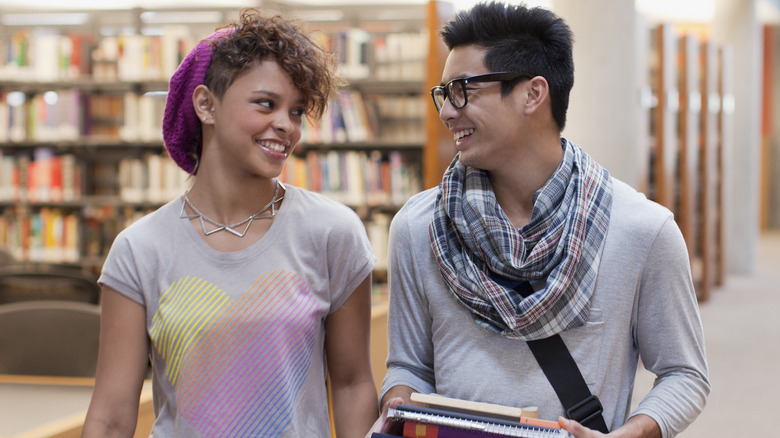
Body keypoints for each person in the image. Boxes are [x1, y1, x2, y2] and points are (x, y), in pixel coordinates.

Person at [374, 2, 709, 438]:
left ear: (533, 93)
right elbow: (409, 365)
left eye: (463, 90)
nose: (447, 111)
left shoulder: (641, 229)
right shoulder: (419, 227)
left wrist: (629, 434)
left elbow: (685, 373)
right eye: (443, 94)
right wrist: (397, 411)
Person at [83, 9, 379, 438]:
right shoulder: (140, 249)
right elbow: (110, 418)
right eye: (266, 103)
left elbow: (353, 385)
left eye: (296, 111)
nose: (286, 126)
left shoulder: (332, 233)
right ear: (206, 104)